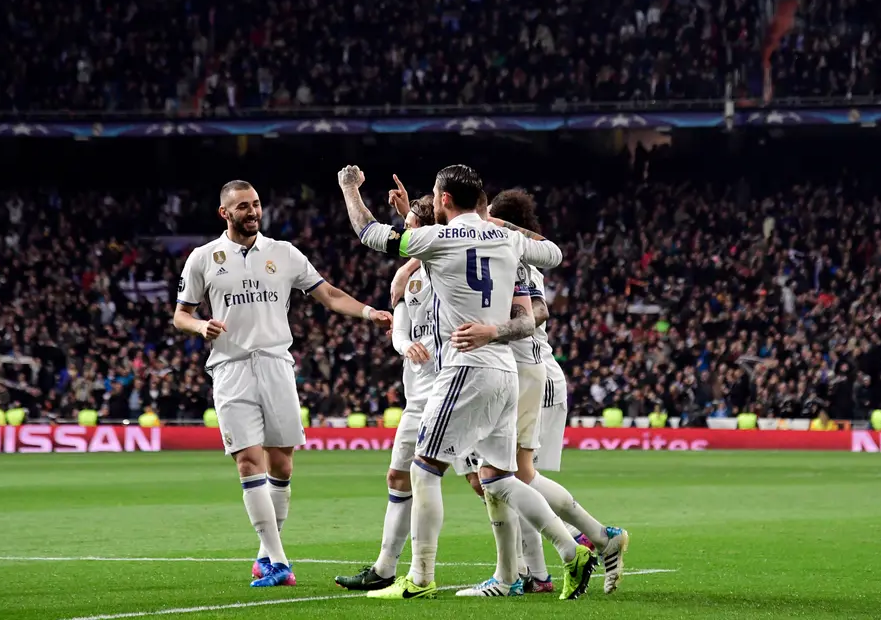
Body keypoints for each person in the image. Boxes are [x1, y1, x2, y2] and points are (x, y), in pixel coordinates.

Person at [338, 163, 592, 602]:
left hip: (464, 367)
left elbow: (369, 232)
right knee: (497, 478)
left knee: (424, 467)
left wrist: (349, 190)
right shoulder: (508, 237)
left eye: (437, 196)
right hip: (504, 370)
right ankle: (572, 550)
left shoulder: (436, 240)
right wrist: (493, 220)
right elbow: (553, 253)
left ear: (443, 201)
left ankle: (419, 578)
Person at [173, 179, 392, 588]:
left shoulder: (284, 253)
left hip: (276, 364)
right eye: (242, 206)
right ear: (225, 213)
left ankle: (264, 555)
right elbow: (180, 314)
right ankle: (278, 561)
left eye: (256, 204)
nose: (252, 211)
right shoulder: (203, 258)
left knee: (282, 463)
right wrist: (200, 324)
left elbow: (327, 294)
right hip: (231, 368)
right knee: (248, 461)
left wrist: (368, 313)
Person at [487, 188, 629, 597]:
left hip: (527, 371)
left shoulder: (514, 256)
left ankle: (590, 540)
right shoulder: (516, 255)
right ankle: (543, 569)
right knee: (515, 477)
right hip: (532, 371)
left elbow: (539, 312)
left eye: (491, 216)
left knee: (514, 476)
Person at [335, 180, 437, 592]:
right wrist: (404, 344)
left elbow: (428, 245)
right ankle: (384, 569)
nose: (404, 235)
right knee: (399, 476)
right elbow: (400, 328)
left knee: (486, 480)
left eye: (410, 227)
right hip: (417, 395)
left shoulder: (448, 269)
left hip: (452, 389)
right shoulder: (407, 280)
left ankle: (536, 559)